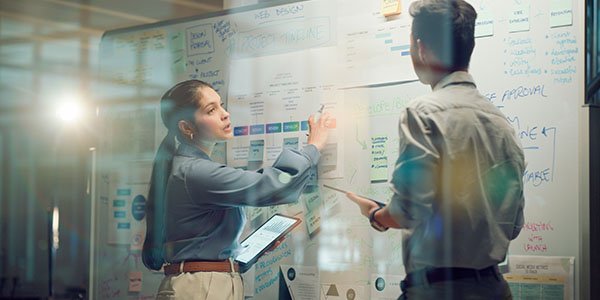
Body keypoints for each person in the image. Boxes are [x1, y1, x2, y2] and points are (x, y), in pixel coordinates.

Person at [346, 0, 525, 299]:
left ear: (421, 48)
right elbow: (514, 225)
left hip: (438, 291)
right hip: (493, 289)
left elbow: (408, 211)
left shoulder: (424, 113)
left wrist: (377, 214)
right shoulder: (502, 124)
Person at [142, 79, 334, 300]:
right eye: (211, 110)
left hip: (207, 284)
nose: (225, 114)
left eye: (222, 105)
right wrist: (313, 147)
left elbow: (203, 247)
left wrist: (250, 251)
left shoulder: (190, 168)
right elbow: (274, 185)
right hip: (199, 288)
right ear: (186, 128)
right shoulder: (195, 172)